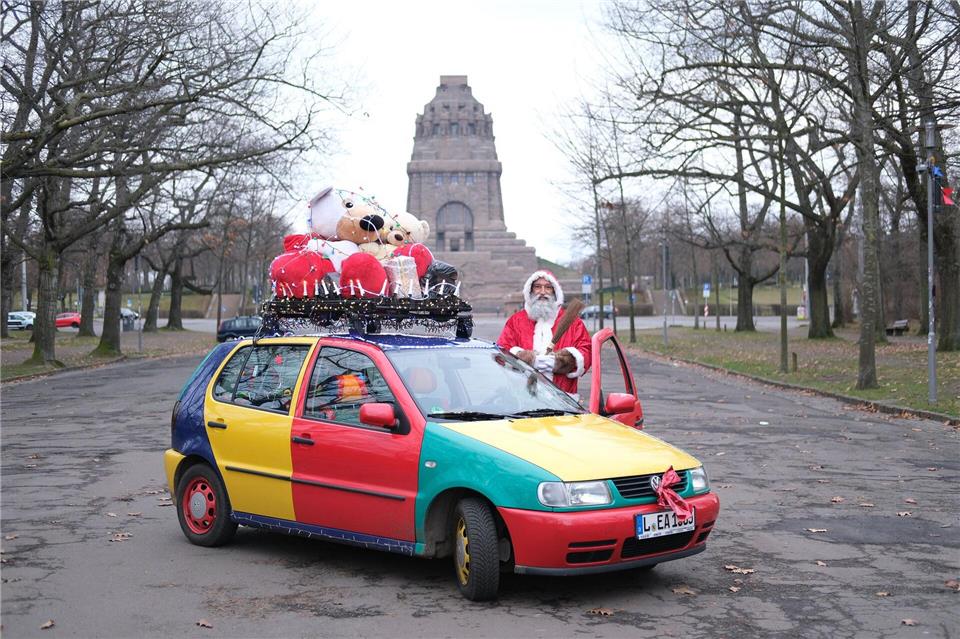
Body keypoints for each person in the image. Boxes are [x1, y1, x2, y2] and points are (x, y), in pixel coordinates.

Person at [497, 270, 591, 395]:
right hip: (522, 398)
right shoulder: (516, 321)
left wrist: (562, 362)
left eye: (548, 287)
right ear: (530, 291)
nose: (542, 292)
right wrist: (523, 359)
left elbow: (587, 352)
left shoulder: (573, 323)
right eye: (537, 287)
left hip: (564, 400)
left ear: (555, 291)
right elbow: (501, 352)